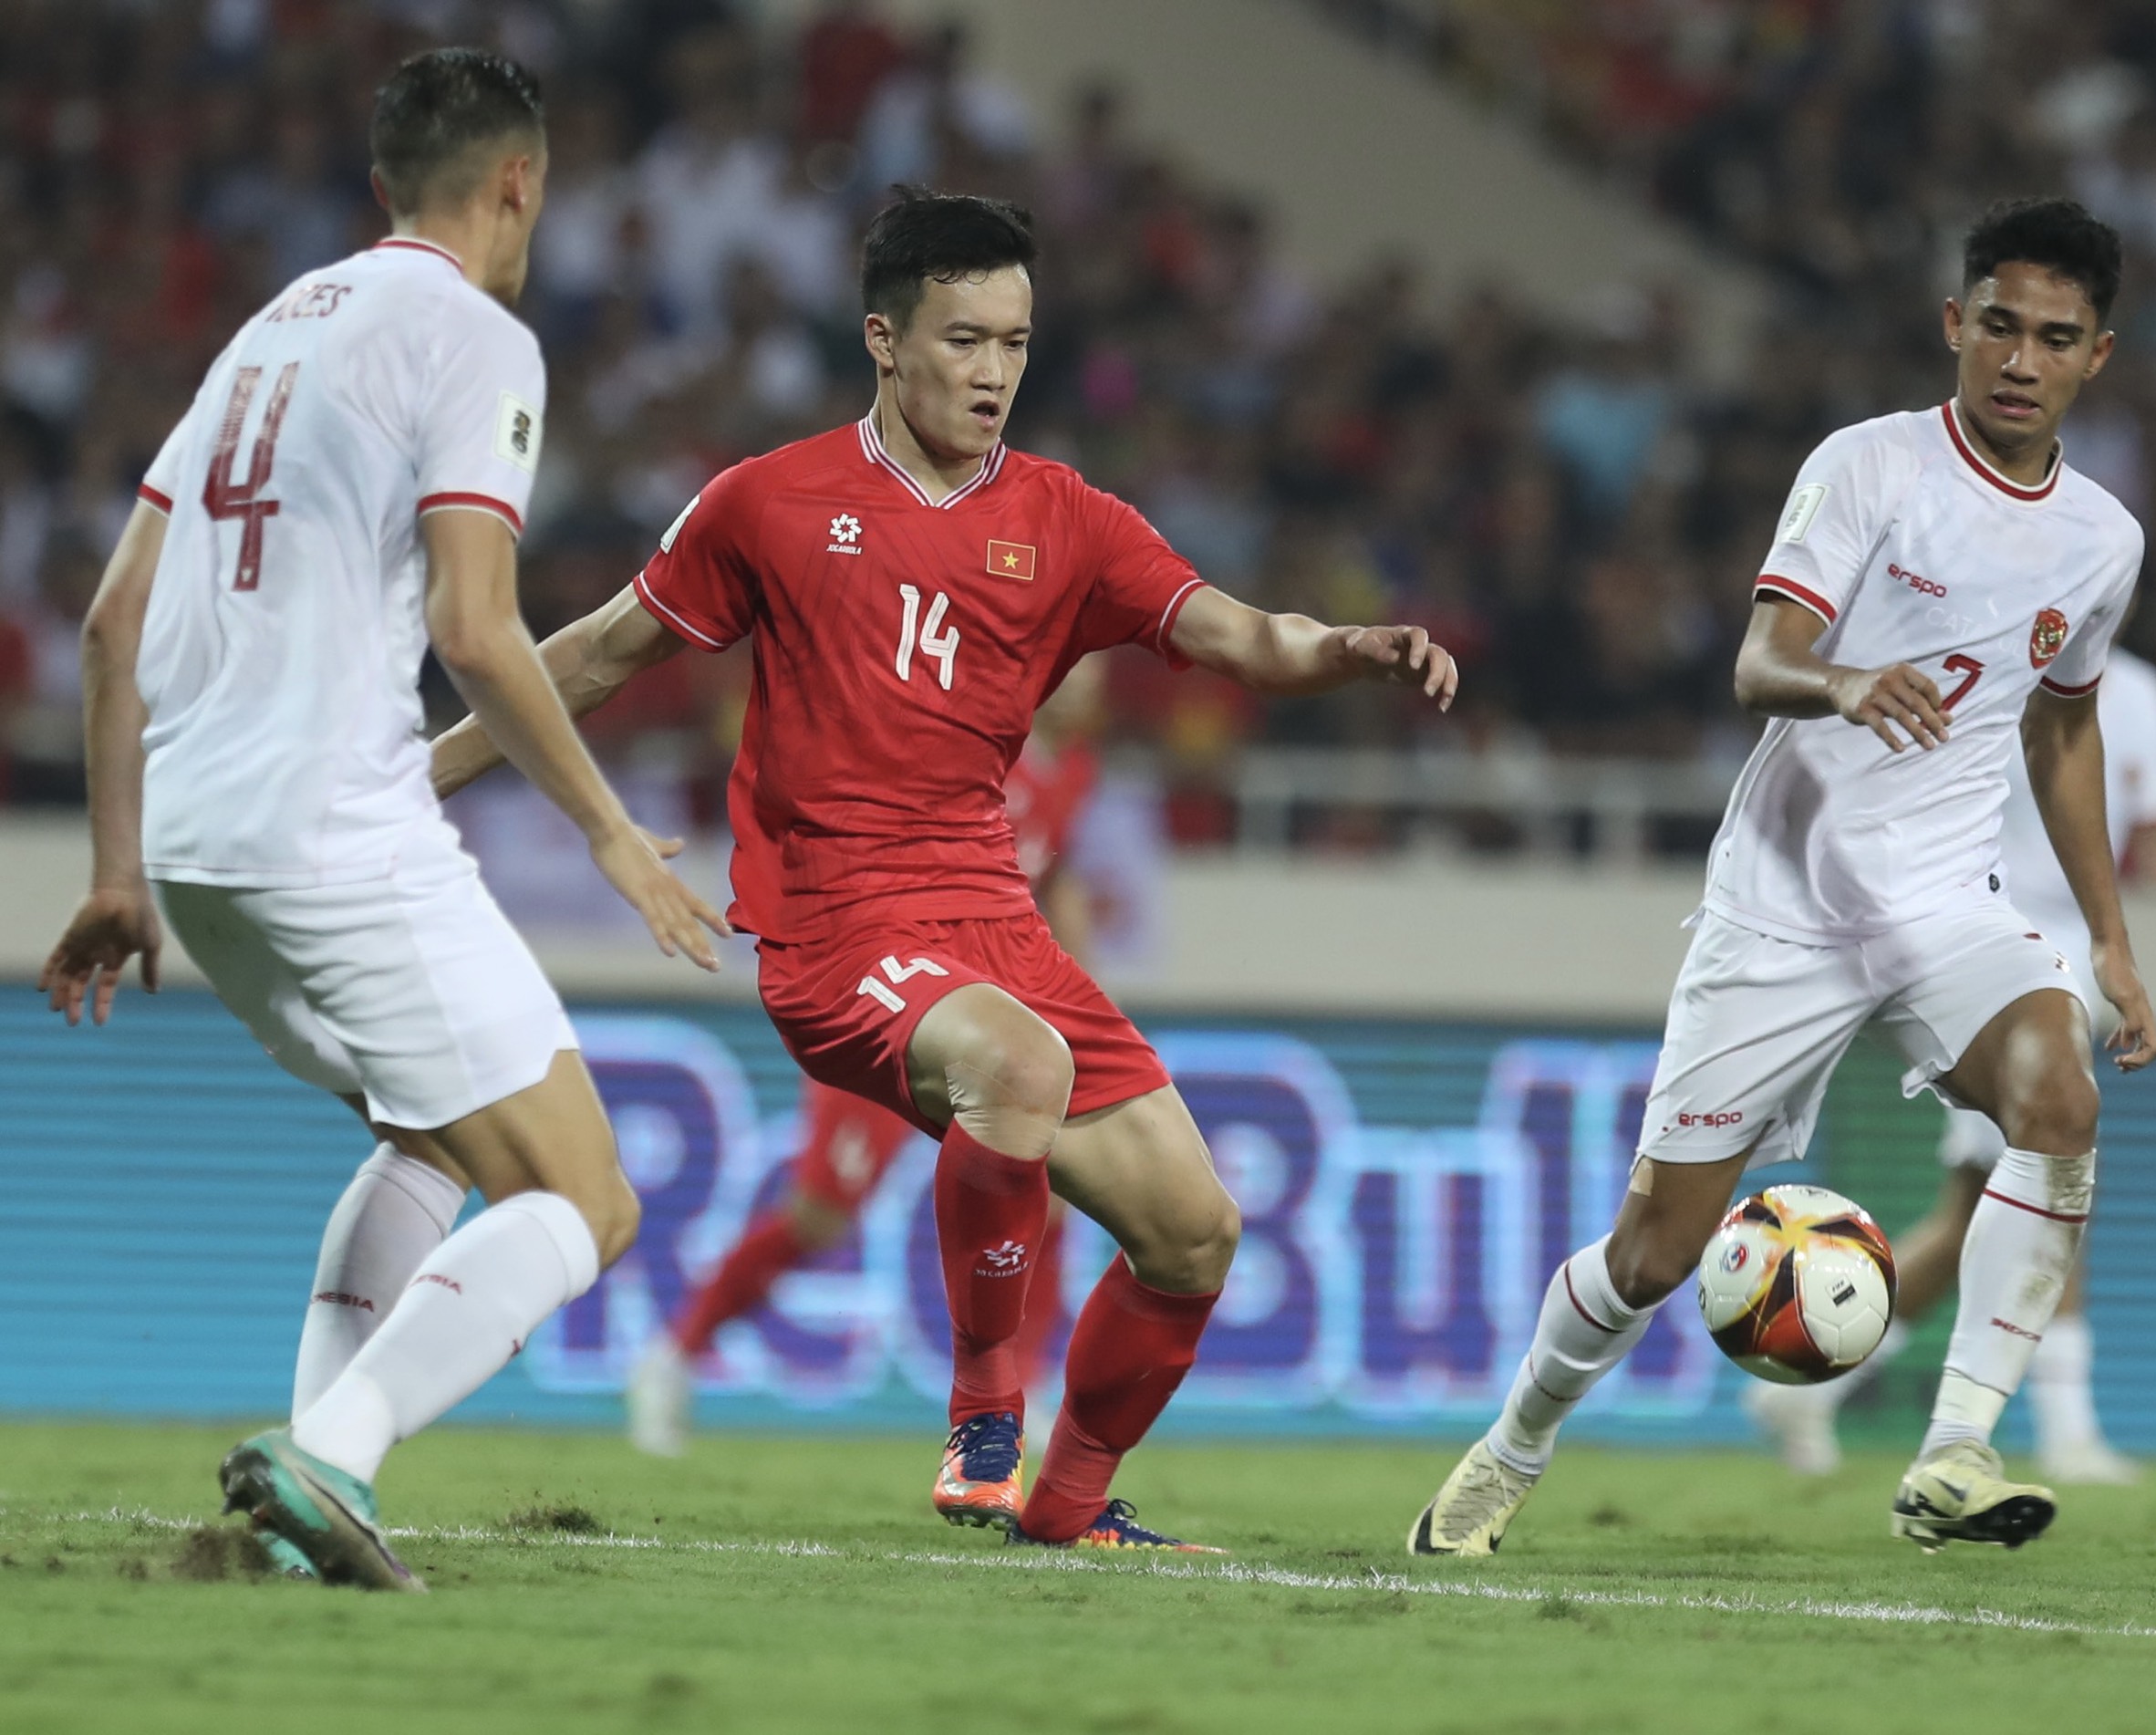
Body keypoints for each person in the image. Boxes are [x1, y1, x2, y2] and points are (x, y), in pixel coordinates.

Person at [430, 186, 1456, 1552]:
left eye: (1016, 343)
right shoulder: (770, 501)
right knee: (1015, 1070)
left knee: (1197, 1232)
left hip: (995, 926)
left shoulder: (1067, 517)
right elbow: (599, 654)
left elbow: (1242, 635)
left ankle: (1071, 1509)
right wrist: (410, 778)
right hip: (835, 922)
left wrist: (1346, 648)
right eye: (964, 339)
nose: (993, 373)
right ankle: (984, 1413)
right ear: (884, 340)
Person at [37, 48, 727, 1591]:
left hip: (198, 853)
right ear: (519, 186)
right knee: (584, 1195)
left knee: (428, 1129)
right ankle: (332, 1456)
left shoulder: (266, 337)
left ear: (377, 191)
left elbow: (104, 626)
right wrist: (613, 835)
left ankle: (299, 1516)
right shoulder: (477, 339)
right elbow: (480, 629)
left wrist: (115, 871)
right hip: (340, 831)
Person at [1409, 196, 2156, 1559]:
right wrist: (1843, 681)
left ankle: (1953, 1451)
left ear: (2096, 357)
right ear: (1955, 322)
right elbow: (1759, 660)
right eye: (1999, 323)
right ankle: (1516, 1440)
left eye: (2056, 338)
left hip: (1946, 900)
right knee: (1650, 1255)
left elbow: (2062, 724)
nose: (2020, 358)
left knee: (2060, 1097)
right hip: (1788, 901)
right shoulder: (1868, 468)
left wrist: (2108, 945)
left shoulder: (2103, 540)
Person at [624, 660, 1111, 1463]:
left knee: (1053, 1194)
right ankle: (674, 1356)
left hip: (993, 1021)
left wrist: (1082, 996)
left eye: (1098, 670)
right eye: (1077, 665)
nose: (1090, 683)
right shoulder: (979, 747)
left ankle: (1029, 1395)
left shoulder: (1077, 768)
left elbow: (1055, 881)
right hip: (898, 1004)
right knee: (821, 1214)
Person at [1747, 644, 2156, 1483]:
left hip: (2062, 954)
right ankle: (2066, 1430)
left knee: (1984, 1212)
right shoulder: (1984, 661)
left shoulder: (2140, 690)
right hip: (1983, 951)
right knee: (2051, 1183)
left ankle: (1814, 1387)